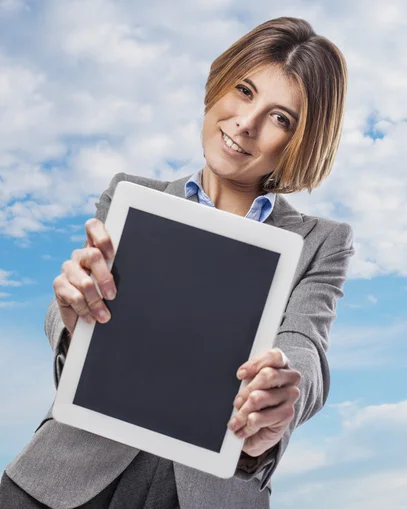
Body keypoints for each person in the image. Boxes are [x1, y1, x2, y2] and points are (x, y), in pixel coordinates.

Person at [1, 16, 354, 509]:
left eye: (281, 118)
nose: (246, 123)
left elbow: (304, 344)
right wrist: (68, 308)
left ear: (302, 141)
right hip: (67, 477)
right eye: (244, 90)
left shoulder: (321, 242)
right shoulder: (131, 196)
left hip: (207, 489)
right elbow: (77, 296)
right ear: (218, 85)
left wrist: (280, 384)